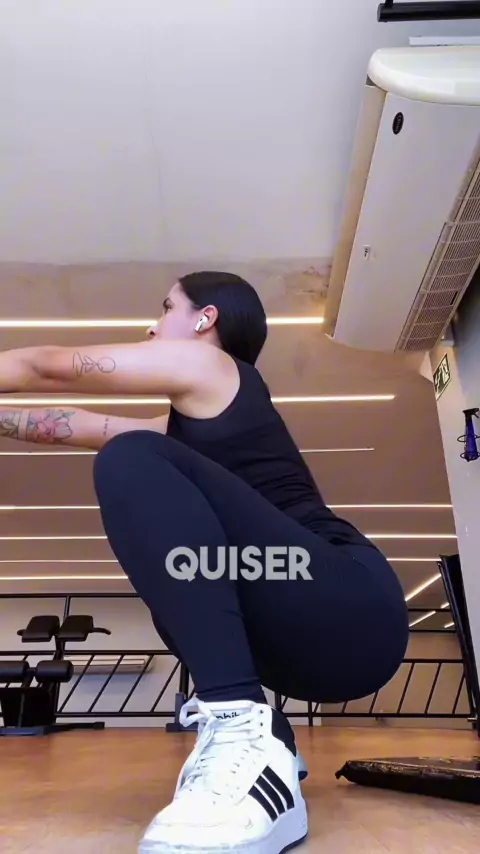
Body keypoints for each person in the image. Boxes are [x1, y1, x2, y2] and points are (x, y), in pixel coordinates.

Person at [0, 271, 409, 854]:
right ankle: (271, 746)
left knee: (131, 458)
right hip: (312, 634)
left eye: (166, 307)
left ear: (204, 319)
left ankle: (240, 728)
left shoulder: (212, 365)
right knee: (174, 567)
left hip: (350, 600)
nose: (152, 326)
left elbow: (44, 367)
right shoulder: (183, 427)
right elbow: (74, 425)